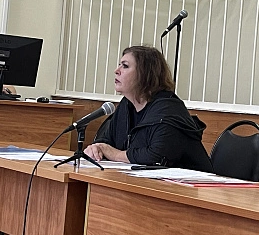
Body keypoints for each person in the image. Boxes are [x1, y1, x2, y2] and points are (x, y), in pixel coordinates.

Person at [84, 45, 212, 171]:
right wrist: (96, 149)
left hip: (190, 183)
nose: (116, 70)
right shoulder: (126, 105)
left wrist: (115, 154)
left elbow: (157, 156)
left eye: (125, 66)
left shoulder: (168, 109)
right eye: (119, 65)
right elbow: (107, 141)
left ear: (145, 73)